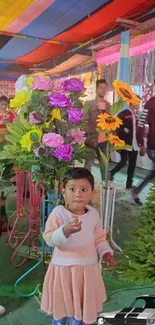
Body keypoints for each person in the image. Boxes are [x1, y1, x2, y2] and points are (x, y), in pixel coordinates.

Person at [41, 167, 116, 325]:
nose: (78, 194)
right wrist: (64, 231)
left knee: (81, 309)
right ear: (64, 192)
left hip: (87, 272)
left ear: (92, 193)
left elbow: (99, 238)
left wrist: (105, 252)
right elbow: (49, 238)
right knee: (61, 309)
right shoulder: (58, 213)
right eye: (72, 189)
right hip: (63, 271)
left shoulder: (94, 215)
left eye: (83, 189)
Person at [110, 97, 142, 205]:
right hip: (124, 143)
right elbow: (116, 125)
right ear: (131, 102)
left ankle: (129, 184)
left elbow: (138, 129)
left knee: (132, 165)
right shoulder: (123, 113)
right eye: (137, 102)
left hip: (134, 144)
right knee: (123, 162)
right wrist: (122, 131)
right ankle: (111, 173)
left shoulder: (137, 115)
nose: (138, 104)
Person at [130, 96, 155, 204]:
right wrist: (142, 144)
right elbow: (142, 123)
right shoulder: (150, 103)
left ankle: (136, 191)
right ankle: (135, 191)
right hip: (152, 146)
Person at [84, 79, 110, 181]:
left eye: (105, 88)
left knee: (105, 167)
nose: (103, 90)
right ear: (96, 89)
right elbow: (84, 122)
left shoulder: (109, 106)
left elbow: (111, 124)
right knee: (88, 165)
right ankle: (85, 186)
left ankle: (106, 189)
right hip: (92, 140)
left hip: (104, 141)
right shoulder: (89, 104)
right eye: (101, 88)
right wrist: (89, 137)